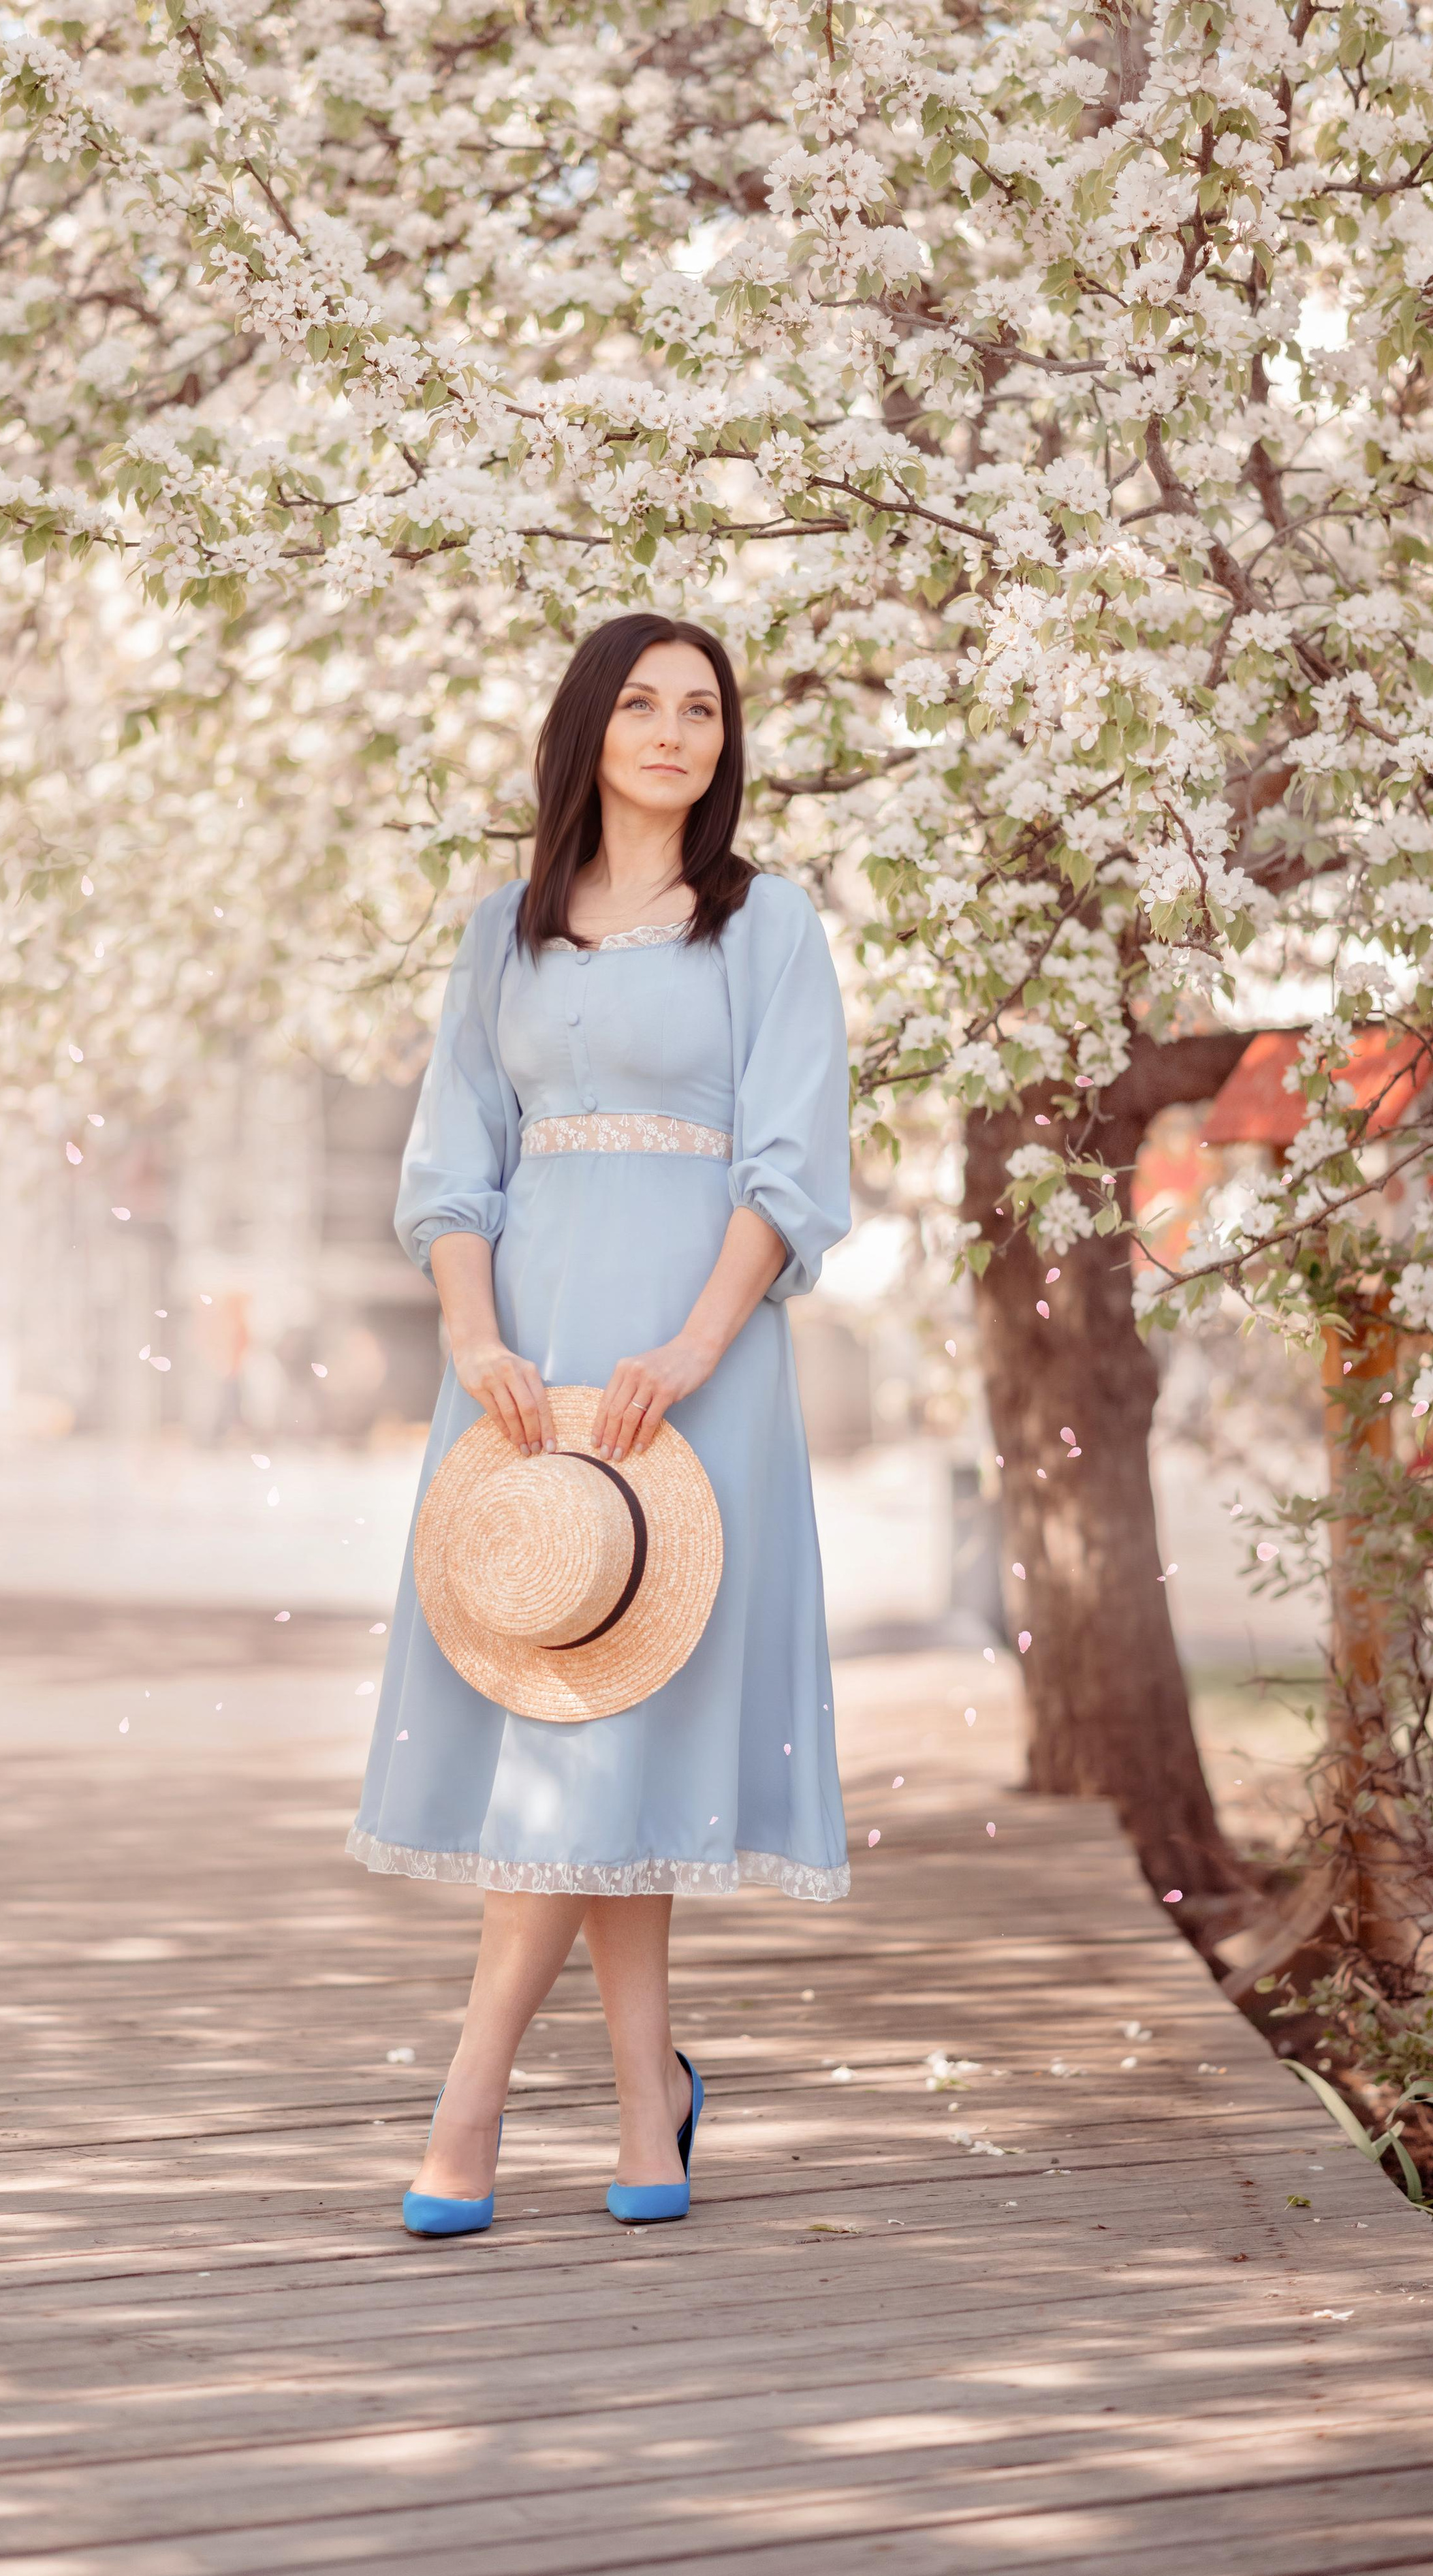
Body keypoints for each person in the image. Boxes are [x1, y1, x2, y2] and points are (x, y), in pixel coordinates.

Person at [347, 610, 851, 2232]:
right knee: (569, 1704)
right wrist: (474, 1334)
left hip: (693, 1365)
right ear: (589, 727)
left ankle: (471, 2098)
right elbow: (451, 1165)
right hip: (517, 1367)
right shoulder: (502, 931)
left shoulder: (764, 929)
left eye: (702, 708)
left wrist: (699, 1343)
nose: (673, 729)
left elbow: (791, 1159)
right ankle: (649, 2102)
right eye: (640, 702)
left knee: (604, 1724)